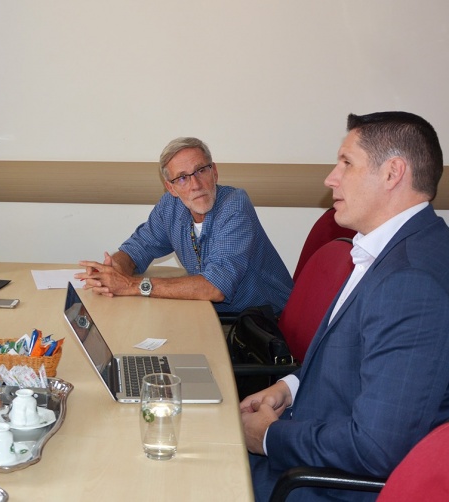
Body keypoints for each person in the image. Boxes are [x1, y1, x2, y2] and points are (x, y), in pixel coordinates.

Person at [241, 111, 449, 502]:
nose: (330, 178)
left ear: (392, 173)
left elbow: (375, 447)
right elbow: (355, 356)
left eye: (346, 163)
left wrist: (268, 436)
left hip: (318, 485)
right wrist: (290, 387)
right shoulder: (391, 249)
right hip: (309, 448)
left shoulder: (412, 280)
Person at [76, 137, 292, 314]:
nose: (195, 185)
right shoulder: (171, 206)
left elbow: (215, 288)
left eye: (201, 171)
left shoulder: (234, 206)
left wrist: (130, 286)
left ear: (214, 172)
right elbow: (138, 248)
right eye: (182, 178)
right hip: (212, 316)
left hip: (263, 327)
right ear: (170, 188)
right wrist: (114, 269)